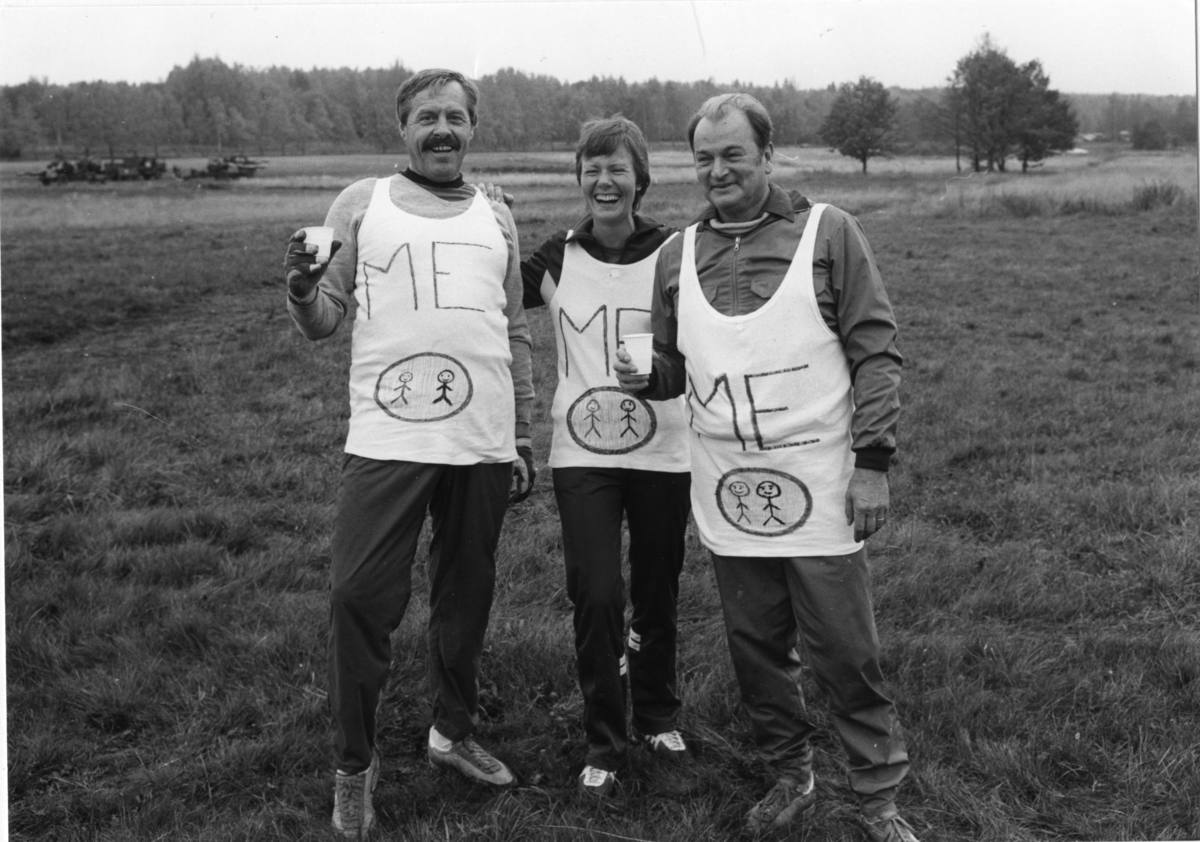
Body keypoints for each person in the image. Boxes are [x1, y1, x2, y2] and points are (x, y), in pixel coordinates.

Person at [615, 92, 919, 842]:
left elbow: (876, 353)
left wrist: (873, 463)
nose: (718, 171)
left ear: (768, 156)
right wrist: (645, 376)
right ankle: (791, 773)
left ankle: (877, 798)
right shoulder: (676, 255)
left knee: (845, 651)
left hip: (821, 485)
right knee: (756, 649)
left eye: (733, 155)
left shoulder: (829, 232)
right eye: (704, 159)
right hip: (730, 492)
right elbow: (675, 367)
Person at [284, 68, 535, 840]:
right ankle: (353, 766)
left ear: (473, 129)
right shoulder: (362, 202)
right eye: (428, 116)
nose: (442, 130)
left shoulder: (498, 212)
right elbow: (325, 319)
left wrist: (524, 435)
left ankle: (451, 733)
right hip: (389, 437)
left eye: (455, 117)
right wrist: (303, 289)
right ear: (403, 128)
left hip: (481, 438)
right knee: (358, 596)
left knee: (465, 594)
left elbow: (515, 328)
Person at [519, 116, 692, 798]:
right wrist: (489, 219)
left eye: (617, 168)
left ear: (641, 179)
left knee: (656, 591)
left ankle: (657, 713)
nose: (603, 180)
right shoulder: (556, 257)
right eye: (591, 169)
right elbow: (487, 290)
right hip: (582, 454)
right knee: (595, 595)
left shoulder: (677, 252)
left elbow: (706, 339)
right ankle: (604, 738)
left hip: (664, 450)